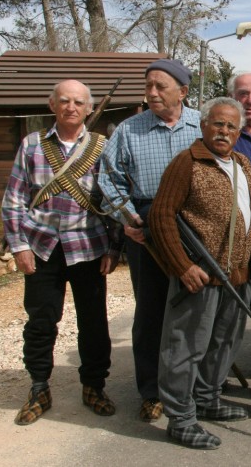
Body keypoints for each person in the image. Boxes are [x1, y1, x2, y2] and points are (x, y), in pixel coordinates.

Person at [148, 97, 251, 449]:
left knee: (224, 343)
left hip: (237, 276)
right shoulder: (187, 163)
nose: (224, 131)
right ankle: (180, 417)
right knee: (185, 347)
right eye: (218, 124)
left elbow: (247, 212)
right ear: (203, 126)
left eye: (231, 126)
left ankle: (206, 397)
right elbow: (160, 217)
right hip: (200, 275)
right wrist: (182, 266)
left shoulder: (241, 164)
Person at [2, 80, 122, 425]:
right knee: (40, 322)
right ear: (52, 104)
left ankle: (94, 386)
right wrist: (19, 246)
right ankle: (39, 386)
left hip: (88, 246)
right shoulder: (32, 145)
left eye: (79, 102)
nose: (71, 107)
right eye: (65, 101)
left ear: (88, 108)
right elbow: (14, 200)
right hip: (42, 247)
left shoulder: (102, 147)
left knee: (94, 323)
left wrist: (114, 247)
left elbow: (112, 201)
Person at [98, 58, 201, 422]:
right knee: (151, 310)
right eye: (149, 86)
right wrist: (128, 220)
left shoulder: (202, 126)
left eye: (161, 86)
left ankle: (192, 387)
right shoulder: (129, 130)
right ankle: (152, 391)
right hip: (146, 225)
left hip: (193, 226)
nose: (152, 92)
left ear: (183, 91)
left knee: (194, 309)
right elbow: (108, 180)